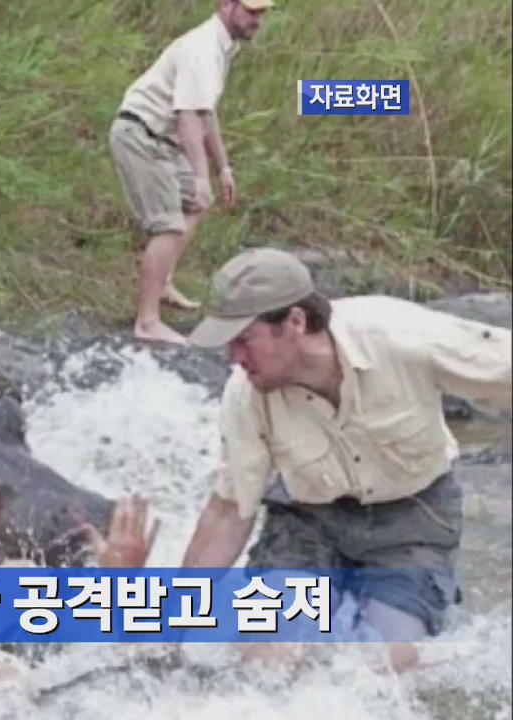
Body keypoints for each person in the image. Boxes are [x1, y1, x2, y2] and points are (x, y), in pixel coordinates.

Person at [175, 247, 512, 671]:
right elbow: (227, 512)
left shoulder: (401, 335)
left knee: (379, 669)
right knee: (268, 662)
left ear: (295, 321)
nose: (234, 358)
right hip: (307, 523)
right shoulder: (245, 395)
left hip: (412, 521)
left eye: (243, 340)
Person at [108, 0, 273, 346]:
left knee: (196, 204)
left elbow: (205, 115)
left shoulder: (223, 48)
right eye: (252, 11)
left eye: (262, 12)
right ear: (226, 6)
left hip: (163, 140)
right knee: (168, 224)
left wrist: (223, 168)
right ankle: (147, 321)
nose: (258, 19)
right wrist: (200, 177)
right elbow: (187, 117)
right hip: (142, 134)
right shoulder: (202, 48)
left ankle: (163, 281)